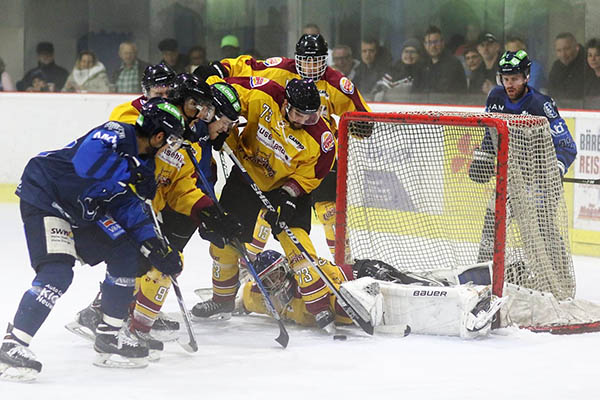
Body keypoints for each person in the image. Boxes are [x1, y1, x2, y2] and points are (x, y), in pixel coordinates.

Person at [0, 98, 186, 381]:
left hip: (85, 208)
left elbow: (129, 206)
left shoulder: (146, 166)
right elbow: (86, 162)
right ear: (158, 136)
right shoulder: (118, 133)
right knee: (57, 271)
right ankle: (12, 344)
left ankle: (109, 337)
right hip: (48, 197)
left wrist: (155, 246)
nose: (171, 148)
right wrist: (130, 170)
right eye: (171, 140)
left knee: (126, 253)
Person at [67, 76, 244, 354]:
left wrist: (207, 211)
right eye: (199, 106)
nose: (203, 114)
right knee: (143, 261)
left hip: (142, 209)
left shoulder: (188, 139)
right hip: (114, 204)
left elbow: (181, 186)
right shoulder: (147, 120)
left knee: (162, 261)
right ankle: (106, 318)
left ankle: (122, 322)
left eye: (207, 110)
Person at [195, 33, 370, 261]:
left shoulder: (336, 84)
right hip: (275, 152)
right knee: (265, 211)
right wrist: (220, 69)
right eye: (305, 60)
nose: (309, 66)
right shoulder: (280, 70)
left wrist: (359, 126)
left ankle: (345, 263)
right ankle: (251, 262)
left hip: (317, 156)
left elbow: (362, 121)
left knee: (328, 212)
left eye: (315, 60)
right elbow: (251, 69)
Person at [191, 78, 341, 332]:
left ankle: (319, 306)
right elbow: (228, 97)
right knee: (225, 241)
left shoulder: (322, 141)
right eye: (298, 114)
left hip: (287, 190)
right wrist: (224, 130)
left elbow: (313, 175)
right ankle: (223, 301)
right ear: (285, 104)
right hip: (246, 176)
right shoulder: (265, 95)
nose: (304, 121)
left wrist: (288, 197)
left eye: (310, 116)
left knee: (297, 242)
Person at [468, 50, 577, 263]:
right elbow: (491, 136)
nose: (509, 84)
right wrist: (484, 158)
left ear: (526, 76)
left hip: (540, 181)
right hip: (510, 180)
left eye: (515, 79)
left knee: (541, 228)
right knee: (493, 221)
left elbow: (567, 146)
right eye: (505, 79)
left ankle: (557, 270)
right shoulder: (495, 97)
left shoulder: (540, 104)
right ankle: (485, 271)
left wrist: (556, 168)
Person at [239, 250, 501, 338]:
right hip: (363, 292)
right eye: (266, 281)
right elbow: (244, 298)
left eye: (276, 275)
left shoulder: (310, 281)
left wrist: (329, 312)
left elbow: (345, 301)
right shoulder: (259, 297)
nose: (273, 284)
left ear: (287, 269)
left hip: (366, 276)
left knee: (417, 290)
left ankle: (470, 295)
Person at [109, 62, 177, 124]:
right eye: (159, 94)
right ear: (147, 94)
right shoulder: (126, 112)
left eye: (169, 93)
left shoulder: (181, 108)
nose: (165, 98)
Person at [413, 25, 466, 93]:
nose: (433, 46)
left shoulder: (454, 64)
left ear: (442, 43)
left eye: (436, 42)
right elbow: (414, 91)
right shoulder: (421, 65)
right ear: (424, 45)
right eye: (429, 42)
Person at [547, 32, 585, 99]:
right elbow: (551, 91)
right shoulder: (556, 66)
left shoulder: (589, 64)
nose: (563, 55)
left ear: (577, 47)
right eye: (559, 50)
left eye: (567, 49)